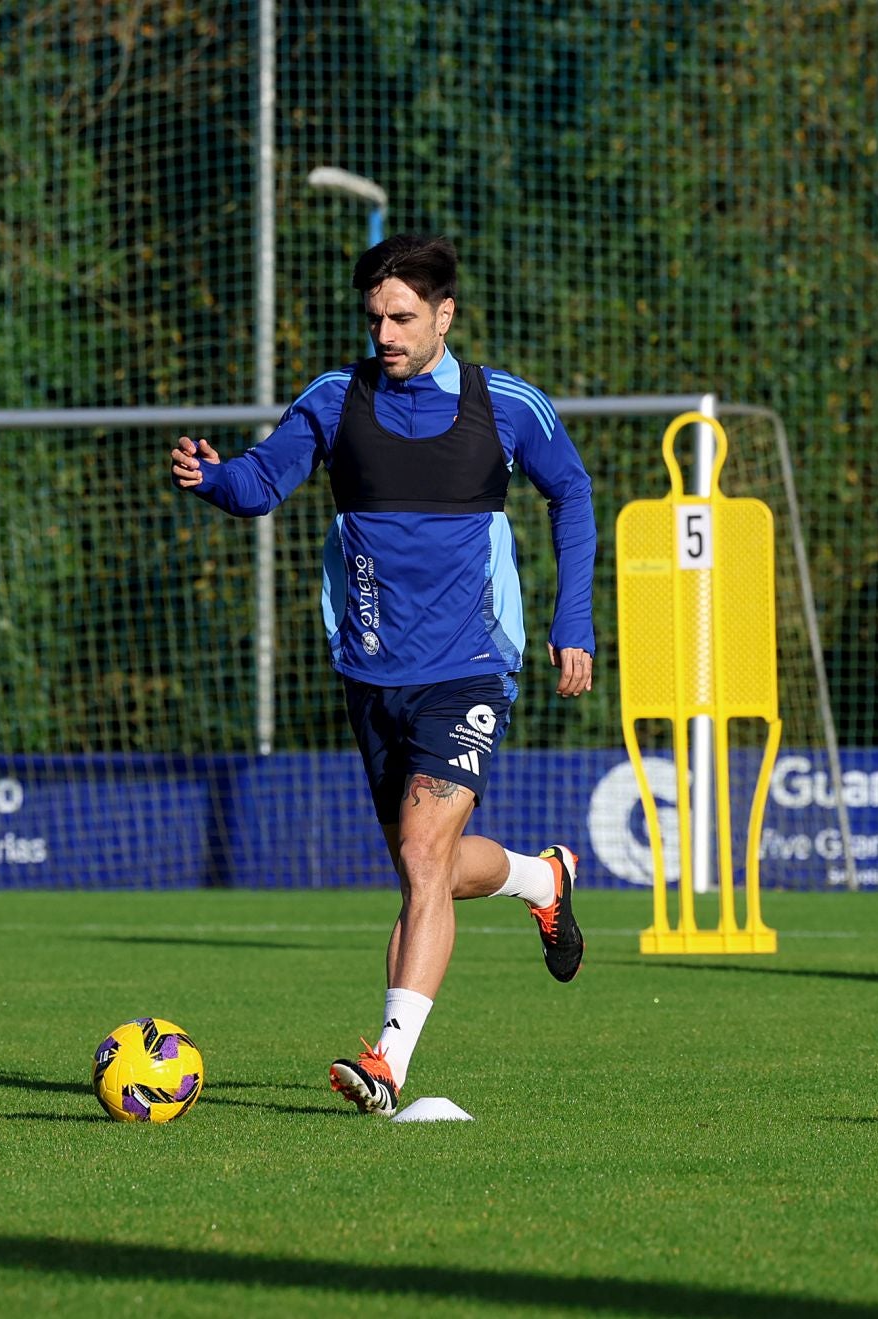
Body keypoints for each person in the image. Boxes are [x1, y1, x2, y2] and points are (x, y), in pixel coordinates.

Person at [170, 234, 596, 1114]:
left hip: (471, 668)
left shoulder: (507, 404)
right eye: (375, 319)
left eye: (403, 317)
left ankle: (389, 1060)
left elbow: (575, 494)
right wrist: (213, 478)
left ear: (445, 314)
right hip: (371, 673)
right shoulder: (336, 398)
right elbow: (261, 483)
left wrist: (573, 620)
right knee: (423, 872)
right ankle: (540, 878)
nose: (386, 334)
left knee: (420, 850)